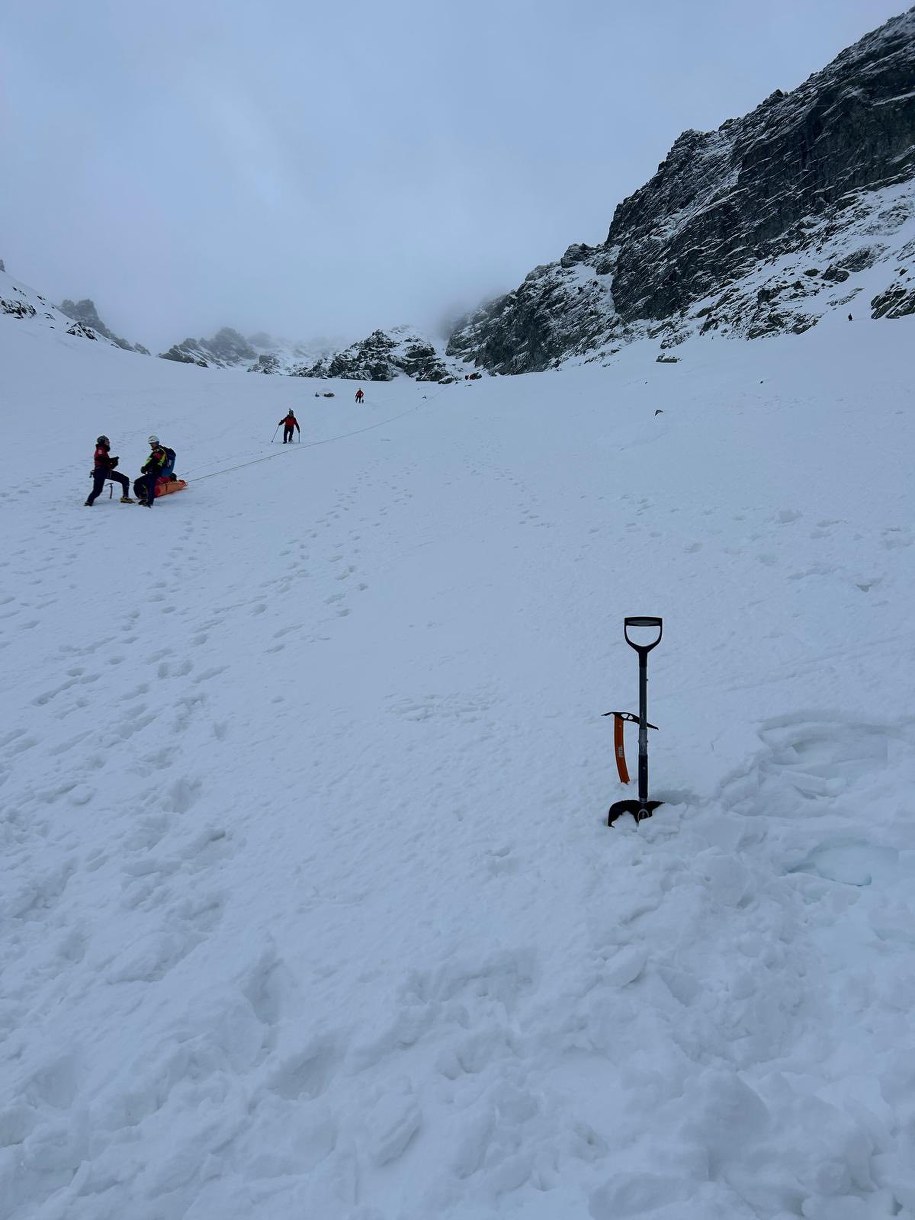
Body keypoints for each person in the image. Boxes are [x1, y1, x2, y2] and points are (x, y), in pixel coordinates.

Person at [85, 435, 133, 505]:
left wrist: (114, 463)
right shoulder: (100, 449)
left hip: (102, 471)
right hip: (101, 471)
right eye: (107, 441)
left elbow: (105, 463)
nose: (109, 442)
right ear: (102, 442)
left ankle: (89, 501)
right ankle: (125, 497)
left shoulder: (103, 450)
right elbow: (99, 458)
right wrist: (111, 460)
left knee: (97, 490)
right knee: (124, 479)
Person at [134, 435, 172, 507]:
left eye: (152, 443)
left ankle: (149, 502)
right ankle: (147, 499)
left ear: (157, 443)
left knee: (151, 485)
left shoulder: (159, 451)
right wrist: (146, 468)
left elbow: (154, 461)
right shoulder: (157, 451)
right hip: (152, 471)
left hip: (156, 471)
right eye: (150, 444)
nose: (151, 445)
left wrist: (145, 468)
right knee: (141, 482)